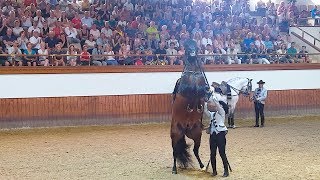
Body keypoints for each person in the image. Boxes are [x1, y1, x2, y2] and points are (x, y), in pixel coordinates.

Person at [207, 98, 232, 177]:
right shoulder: (211, 114)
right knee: (212, 154)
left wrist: (215, 99)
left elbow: (218, 106)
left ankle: (226, 171)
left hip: (220, 134)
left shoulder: (222, 112)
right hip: (213, 135)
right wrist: (205, 102)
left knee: (222, 153)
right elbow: (205, 110)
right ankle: (214, 171)